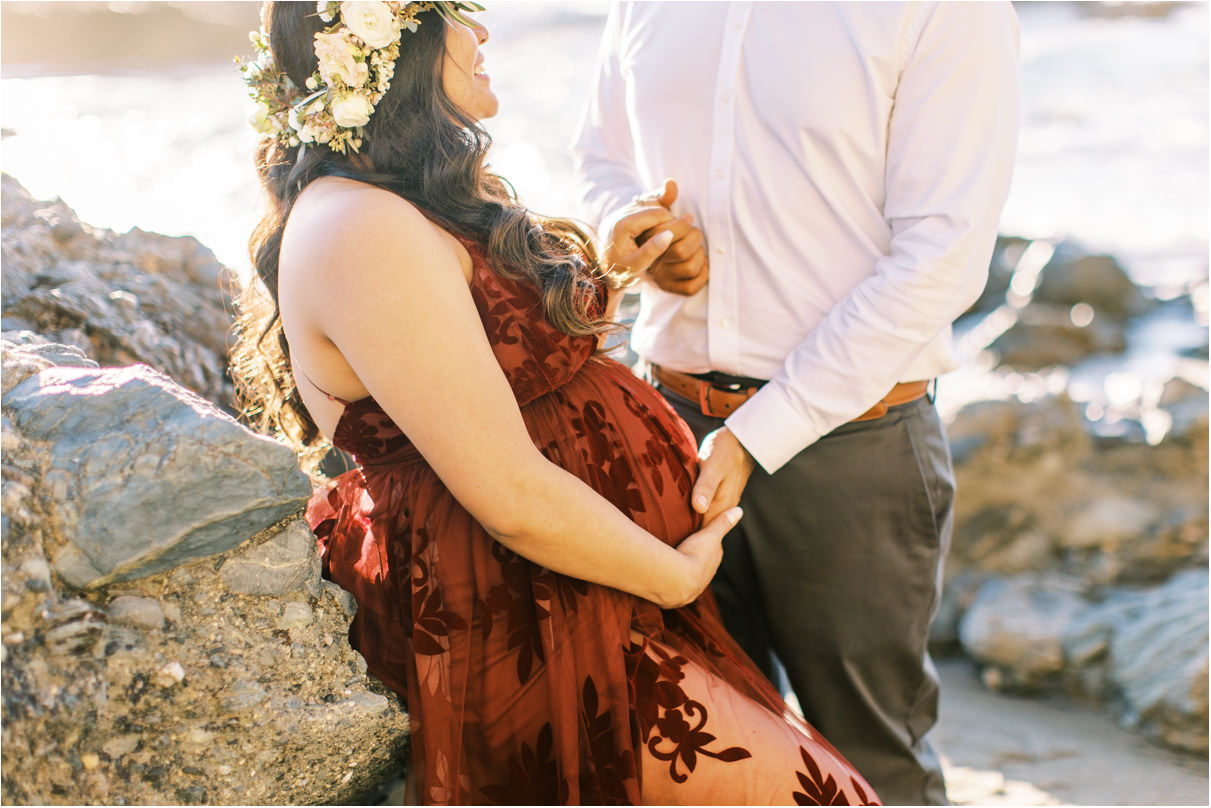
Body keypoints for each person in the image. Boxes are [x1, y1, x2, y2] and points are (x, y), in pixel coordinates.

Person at [231, 2, 878, 804]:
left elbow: (488, 360)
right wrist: (672, 580)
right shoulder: (358, 224)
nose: (483, 33)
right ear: (387, 51)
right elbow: (509, 493)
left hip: (590, 581)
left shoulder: (411, 199)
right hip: (522, 605)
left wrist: (604, 274)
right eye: (453, 14)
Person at [572, 3, 1020, 804]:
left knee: (869, 760)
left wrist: (756, 434)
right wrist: (627, 223)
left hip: (852, 448)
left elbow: (942, 256)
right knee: (698, 752)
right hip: (666, 427)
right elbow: (597, 157)